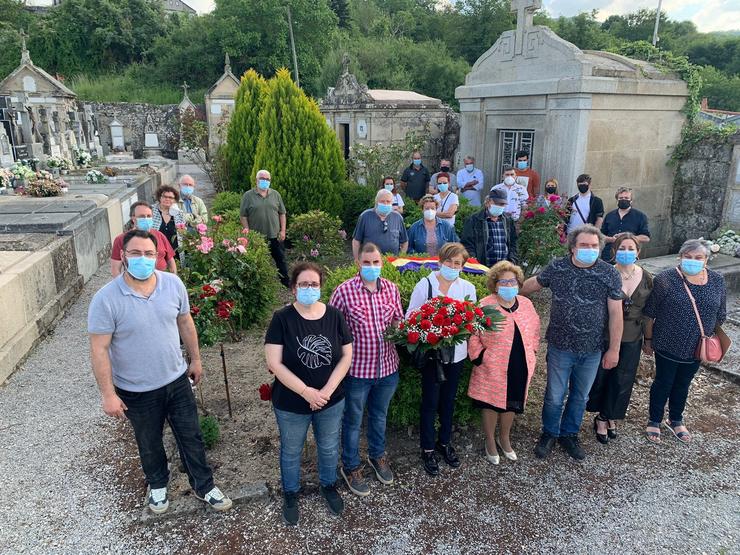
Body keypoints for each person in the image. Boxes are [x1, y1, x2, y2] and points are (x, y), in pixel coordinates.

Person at [89, 230, 232, 515]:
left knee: (190, 436)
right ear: (124, 256)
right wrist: (108, 394)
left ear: (158, 256)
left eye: (149, 254)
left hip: (176, 379)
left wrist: (196, 360)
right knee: (149, 441)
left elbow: (185, 322)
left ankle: (204, 486)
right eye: (135, 253)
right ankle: (157, 485)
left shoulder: (172, 284)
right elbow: (99, 350)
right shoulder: (106, 299)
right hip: (136, 390)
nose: (143, 259)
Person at [520, 224, 623, 461]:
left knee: (580, 396)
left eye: (594, 246)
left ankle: (569, 434)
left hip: (592, 348)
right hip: (560, 346)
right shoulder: (558, 267)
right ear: (573, 248)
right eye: (584, 245)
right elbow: (532, 285)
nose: (589, 249)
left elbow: (616, 314)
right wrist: (503, 292)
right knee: (555, 395)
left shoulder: (609, 273)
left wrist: (614, 349)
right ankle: (549, 433)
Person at [265, 262, 353, 525]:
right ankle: (291, 493)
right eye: (303, 284)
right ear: (293, 288)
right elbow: (274, 363)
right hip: (291, 401)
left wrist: (325, 391)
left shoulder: (335, 316)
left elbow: (347, 354)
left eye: (314, 284)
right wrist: (307, 392)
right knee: (291, 450)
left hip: (330, 399)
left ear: (321, 287)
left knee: (327, 446)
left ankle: (329, 485)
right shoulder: (282, 318)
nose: (309, 288)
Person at [329, 243, 404, 497]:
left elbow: (398, 319)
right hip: (357, 372)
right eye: (366, 263)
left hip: (387, 368)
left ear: (382, 263)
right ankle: (350, 466)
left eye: (375, 262)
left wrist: (402, 328)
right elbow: (333, 331)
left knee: (379, 415)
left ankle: (377, 456)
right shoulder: (343, 292)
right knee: (352, 421)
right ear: (358, 264)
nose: (371, 267)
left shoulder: (391, 289)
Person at [642, 239, 727, 444]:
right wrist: (648, 340)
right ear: (680, 257)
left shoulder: (717, 281)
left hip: (697, 345)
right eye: (688, 257)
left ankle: (676, 419)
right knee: (663, 382)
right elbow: (650, 313)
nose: (693, 261)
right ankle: (654, 420)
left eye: (698, 258)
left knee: (683, 383)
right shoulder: (666, 279)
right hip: (667, 342)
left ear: (706, 260)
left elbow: (721, 314)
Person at [406, 243, 477, 476]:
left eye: (458, 263)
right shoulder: (425, 285)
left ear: (463, 266)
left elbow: (471, 320)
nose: (453, 266)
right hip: (432, 356)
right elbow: (411, 317)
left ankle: (444, 442)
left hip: (456, 355)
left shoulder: (467, 287)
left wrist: (459, 328)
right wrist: (433, 331)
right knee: (430, 402)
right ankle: (427, 448)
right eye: (449, 262)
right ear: (440, 261)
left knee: (448, 401)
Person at [468, 261, 540, 464]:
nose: (508, 285)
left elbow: (535, 330)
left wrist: (533, 350)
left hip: (520, 362)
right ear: (495, 283)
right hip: (492, 365)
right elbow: (473, 334)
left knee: (512, 402)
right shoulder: (484, 305)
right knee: (491, 403)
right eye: (503, 282)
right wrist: (479, 356)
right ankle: (490, 440)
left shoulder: (526, 304)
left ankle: (505, 438)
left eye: (512, 281)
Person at [587, 233, 653, 443]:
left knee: (623, 380)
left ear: (638, 252)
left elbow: (650, 311)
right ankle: (600, 415)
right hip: (604, 335)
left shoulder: (647, 277)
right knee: (601, 377)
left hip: (633, 336)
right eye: (622, 248)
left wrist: (649, 340)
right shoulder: (605, 273)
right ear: (614, 251)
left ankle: (608, 416)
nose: (626, 252)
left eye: (631, 248)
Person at [240, 169, 289, 287]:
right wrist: (247, 232)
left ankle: (286, 282)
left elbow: (282, 213)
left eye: (267, 179)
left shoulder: (275, 194)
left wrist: (283, 231)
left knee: (281, 260)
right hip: (257, 237)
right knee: (257, 262)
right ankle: (259, 285)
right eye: (262, 178)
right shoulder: (248, 196)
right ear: (256, 180)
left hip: (275, 235)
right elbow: (243, 215)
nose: (265, 181)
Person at [111, 201, 177, 277]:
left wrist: (173, 279)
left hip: (161, 282)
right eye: (142, 216)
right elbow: (115, 269)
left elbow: (171, 261)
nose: (146, 219)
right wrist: (120, 286)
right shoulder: (121, 239)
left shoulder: (159, 235)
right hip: (134, 282)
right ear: (133, 218)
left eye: (149, 216)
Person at [461, 189, 518, 266]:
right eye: (497, 203)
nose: (500, 206)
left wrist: (512, 261)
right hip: (482, 267)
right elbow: (467, 243)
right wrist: (474, 262)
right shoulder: (474, 220)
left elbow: (513, 243)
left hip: (504, 268)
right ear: (488, 202)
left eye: (502, 204)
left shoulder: (508, 220)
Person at [352, 189, 408, 260]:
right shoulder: (365, 216)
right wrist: (357, 260)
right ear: (376, 202)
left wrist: (400, 259)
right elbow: (356, 241)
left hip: (392, 263)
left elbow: (405, 242)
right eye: (382, 201)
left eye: (388, 201)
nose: (385, 204)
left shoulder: (397, 217)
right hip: (370, 262)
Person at [600, 187, 651, 261]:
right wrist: (611, 239)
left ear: (631, 200)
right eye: (621, 198)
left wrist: (626, 237)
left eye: (626, 198)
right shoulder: (609, 215)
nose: (623, 199)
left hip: (628, 256)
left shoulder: (640, 216)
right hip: (608, 255)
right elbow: (601, 235)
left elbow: (646, 238)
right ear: (617, 200)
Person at [152, 185, 186, 253]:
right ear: (159, 197)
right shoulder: (151, 211)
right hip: (157, 251)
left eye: (170, 197)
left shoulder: (179, 213)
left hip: (175, 252)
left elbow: (182, 233)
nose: (167, 199)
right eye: (164, 196)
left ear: (174, 200)